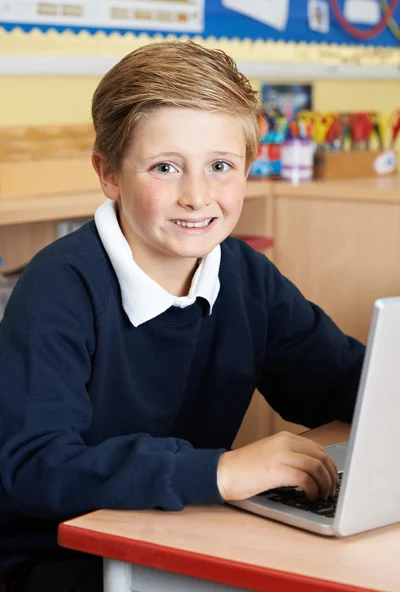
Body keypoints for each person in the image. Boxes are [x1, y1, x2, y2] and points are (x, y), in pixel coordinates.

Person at [0, 40, 365, 591]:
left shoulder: (242, 272)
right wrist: (218, 471)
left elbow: (338, 380)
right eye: (166, 167)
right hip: (61, 553)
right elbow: (37, 466)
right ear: (109, 174)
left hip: (180, 524)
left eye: (221, 166)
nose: (197, 197)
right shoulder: (60, 286)